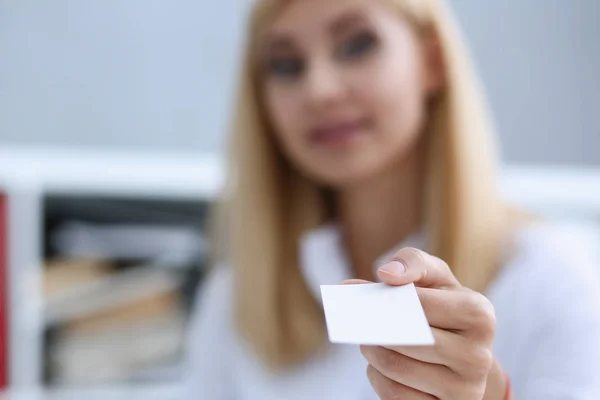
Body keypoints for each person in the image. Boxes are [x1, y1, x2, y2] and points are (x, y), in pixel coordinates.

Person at [186, 0, 600, 398]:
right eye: (286, 65)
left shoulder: (555, 282)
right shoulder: (233, 301)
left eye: (357, 45)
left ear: (432, 61)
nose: (319, 89)